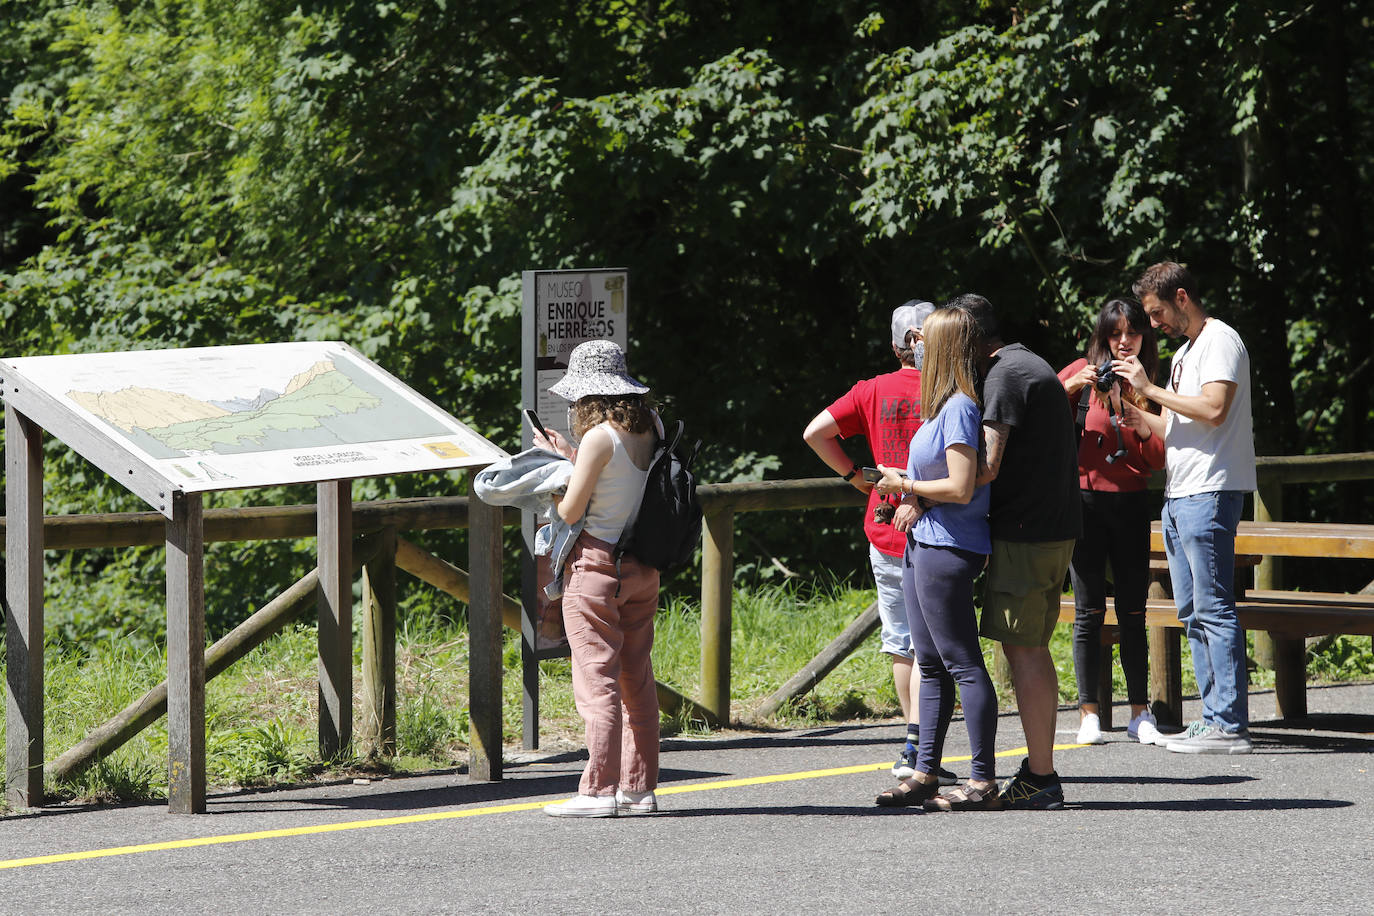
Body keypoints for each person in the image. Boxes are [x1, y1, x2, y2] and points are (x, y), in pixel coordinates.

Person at [803, 299, 954, 784]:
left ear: (895, 347)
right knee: (936, 643)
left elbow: (815, 432)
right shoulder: (949, 389)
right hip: (941, 524)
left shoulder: (872, 390)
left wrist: (855, 476)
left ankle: (912, 745)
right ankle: (925, 750)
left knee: (902, 642)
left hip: (886, 525)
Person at [1116, 261, 1257, 755]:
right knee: (1192, 611)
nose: (1154, 324)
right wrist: (1134, 413)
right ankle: (1213, 719)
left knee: (1213, 608)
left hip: (1210, 491)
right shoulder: (1184, 353)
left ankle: (1229, 726)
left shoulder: (1220, 340)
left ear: (1181, 297)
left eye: (1157, 313)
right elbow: (1177, 426)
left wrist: (1150, 390)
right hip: (1179, 494)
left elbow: (1214, 409)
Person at [950, 294, 1080, 810]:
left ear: (968, 337)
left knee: (1023, 649)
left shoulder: (1004, 376)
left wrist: (917, 487)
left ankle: (1042, 776)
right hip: (1051, 528)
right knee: (1031, 647)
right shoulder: (1028, 363)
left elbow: (985, 466)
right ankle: (1039, 770)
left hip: (1027, 533)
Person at [871, 307, 999, 811]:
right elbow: (937, 480)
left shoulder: (961, 407)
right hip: (922, 542)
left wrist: (905, 483)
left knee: (962, 663)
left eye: (922, 339)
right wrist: (908, 494)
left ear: (944, 347)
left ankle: (982, 780)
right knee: (928, 661)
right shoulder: (939, 406)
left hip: (949, 547)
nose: (914, 346)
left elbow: (962, 487)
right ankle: (925, 772)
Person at [533, 340, 665, 816]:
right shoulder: (653, 426)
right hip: (643, 564)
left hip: (596, 564)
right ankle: (639, 789)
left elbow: (572, 511)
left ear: (586, 395)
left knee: (597, 678)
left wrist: (555, 478)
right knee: (636, 677)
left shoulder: (598, 438)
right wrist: (569, 455)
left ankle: (597, 791)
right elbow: (622, 484)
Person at [1057, 299, 1166, 745]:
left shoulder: (1150, 383)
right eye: (1115, 333)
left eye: (1133, 333)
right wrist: (1071, 386)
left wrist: (1139, 419)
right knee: (1088, 611)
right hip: (1084, 503)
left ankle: (1140, 713)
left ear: (1144, 336)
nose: (1124, 342)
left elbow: (1158, 459)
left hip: (1131, 503)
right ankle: (1089, 714)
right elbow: (1035, 417)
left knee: (1133, 611)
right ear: (1102, 336)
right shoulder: (1081, 372)